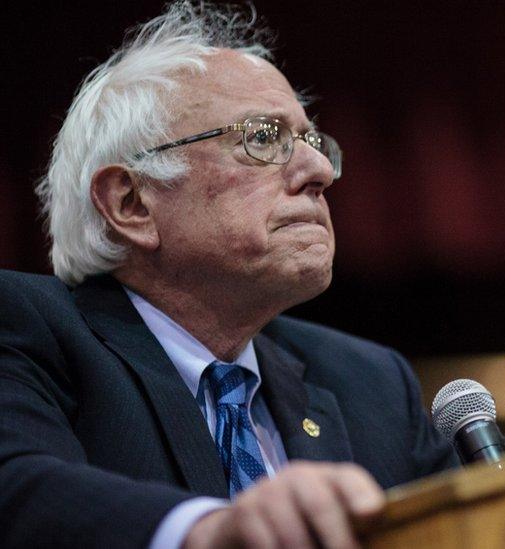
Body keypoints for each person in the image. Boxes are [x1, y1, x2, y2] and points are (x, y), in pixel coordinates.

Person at [0, 2, 458, 548]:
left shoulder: (372, 382)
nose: (318, 172)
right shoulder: (26, 330)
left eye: (313, 143)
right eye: (263, 138)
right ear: (131, 203)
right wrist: (212, 531)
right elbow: (17, 487)